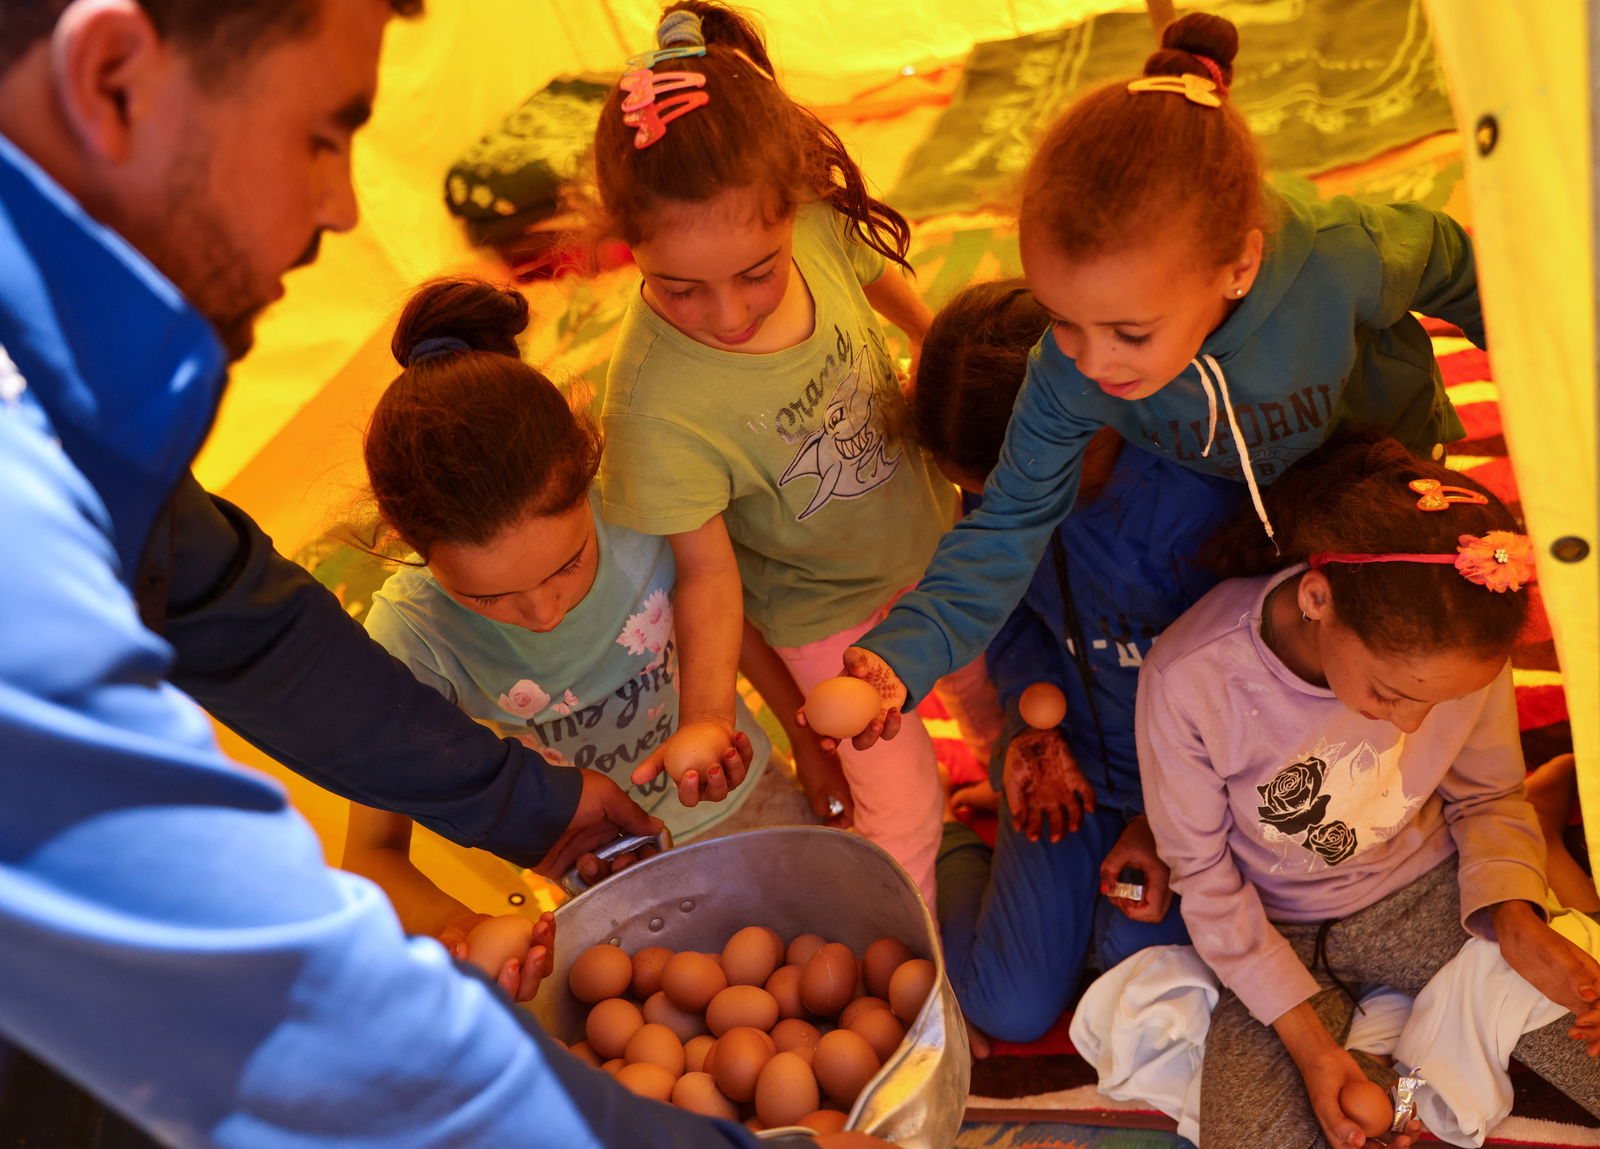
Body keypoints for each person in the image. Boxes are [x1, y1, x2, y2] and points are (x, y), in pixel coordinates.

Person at [0, 2, 874, 1145]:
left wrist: (538, 805)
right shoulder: (29, 535)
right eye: (324, 133)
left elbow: (242, 622)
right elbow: (291, 1012)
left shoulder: (83, 421)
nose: (344, 209)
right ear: (112, 79)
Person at [830, 12, 1485, 736]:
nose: (1089, 358)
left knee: (1419, 643)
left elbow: (1466, 269)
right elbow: (1007, 525)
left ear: (1237, 268)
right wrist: (902, 658)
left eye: (1130, 334)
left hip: (1385, 475)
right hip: (1261, 502)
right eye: (1061, 317)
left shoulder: (1340, 256)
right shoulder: (1066, 369)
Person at [344, 276, 823, 991]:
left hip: (746, 794)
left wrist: (808, 738)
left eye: (568, 565)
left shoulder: (640, 497)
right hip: (607, 876)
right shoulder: (412, 636)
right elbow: (371, 855)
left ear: (587, 469)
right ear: (409, 544)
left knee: (822, 950)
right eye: (486, 595)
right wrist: (468, 926)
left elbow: (726, 613)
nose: (543, 611)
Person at [591, 1, 959, 903]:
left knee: (990, 705)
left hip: (940, 546)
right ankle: (927, 1000)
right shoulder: (652, 404)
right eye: (678, 288)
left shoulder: (826, 230)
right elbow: (708, 576)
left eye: (757, 271)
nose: (728, 314)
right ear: (627, 248)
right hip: (823, 621)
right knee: (903, 812)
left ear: (792, 203)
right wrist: (711, 715)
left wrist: (955, 364)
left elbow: (917, 315)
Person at [1135, 434, 1600, 1147]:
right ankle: (1388, 1068)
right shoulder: (1190, 675)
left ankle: (1400, 1076)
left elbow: (1487, 796)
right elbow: (1202, 874)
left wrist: (1516, 919)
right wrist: (1311, 1049)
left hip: (1433, 896)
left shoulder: (1460, 647)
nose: (1414, 723)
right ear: (1318, 598)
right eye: (1390, 693)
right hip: (1276, 931)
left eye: (1435, 703)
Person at [913, 281, 1243, 1046]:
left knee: (1131, 965)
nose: (1008, 515)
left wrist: (1159, 828)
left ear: (1093, 420)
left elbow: (1251, 686)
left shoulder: (1199, 493)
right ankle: (947, 837)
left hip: (1197, 790)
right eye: (984, 499)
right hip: (1069, 770)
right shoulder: (992, 497)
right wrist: (1032, 723)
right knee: (1008, 1005)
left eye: (1024, 491)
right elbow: (1006, 618)